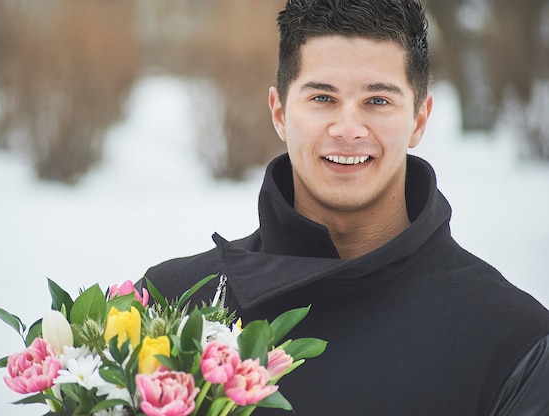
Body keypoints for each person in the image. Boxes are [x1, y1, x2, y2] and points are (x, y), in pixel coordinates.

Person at [139, 0, 549, 414]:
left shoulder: (511, 340)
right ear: (280, 113)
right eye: (322, 98)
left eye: (378, 101)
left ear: (419, 120)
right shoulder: (172, 306)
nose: (348, 129)